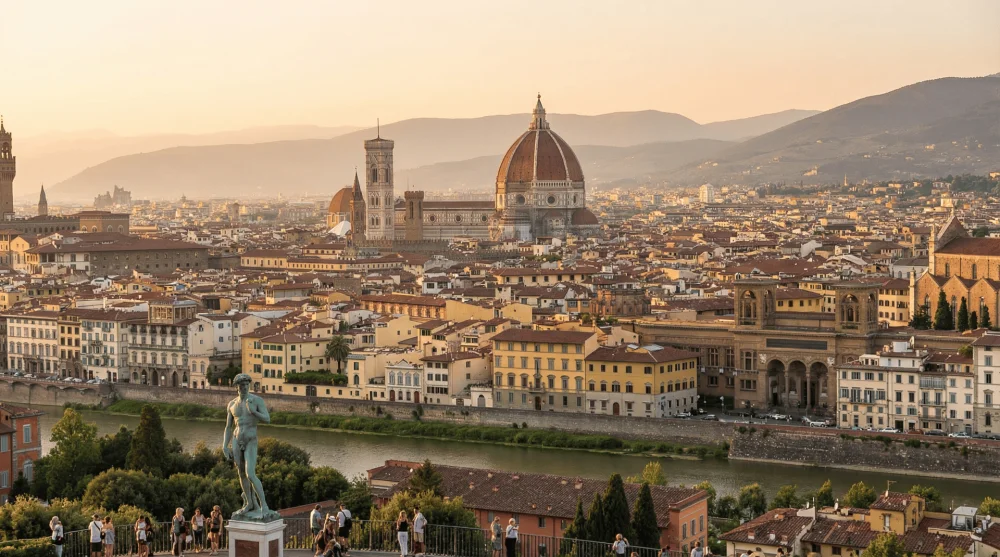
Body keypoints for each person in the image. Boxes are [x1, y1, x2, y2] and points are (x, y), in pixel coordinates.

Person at [223, 373, 276, 521]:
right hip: (236, 438)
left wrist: (253, 412)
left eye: (246, 385)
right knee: (241, 474)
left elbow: (267, 419)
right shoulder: (232, 404)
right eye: (241, 386)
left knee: (250, 473)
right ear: (237, 387)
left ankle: (264, 505)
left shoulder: (256, 400)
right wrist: (224, 446)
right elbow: (228, 427)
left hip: (251, 440)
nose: (244, 387)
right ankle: (249, 503)